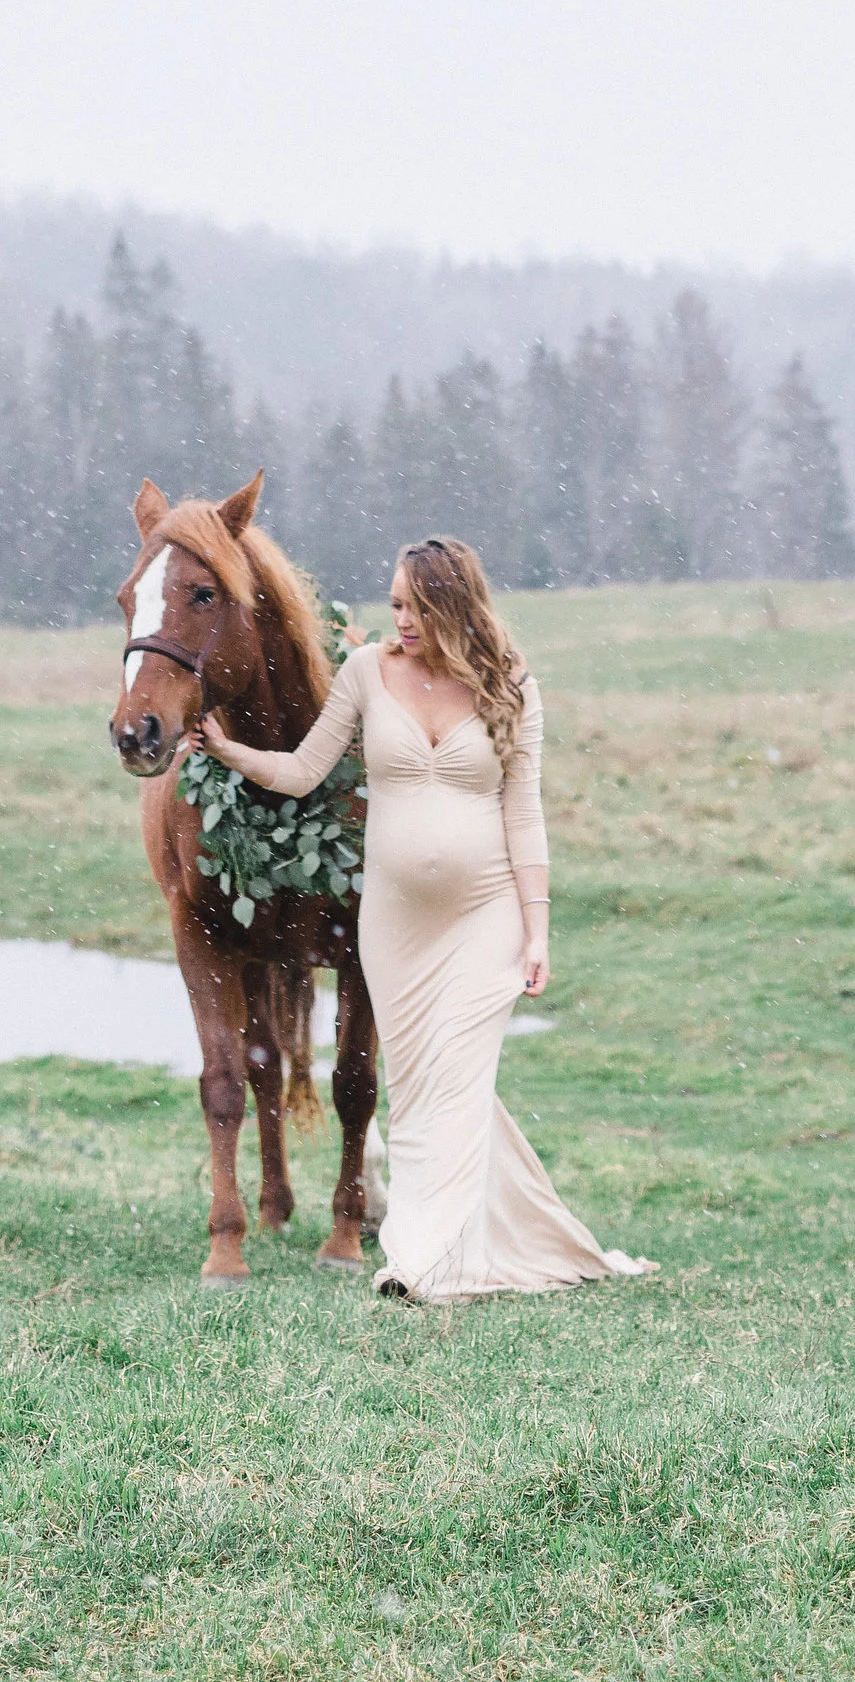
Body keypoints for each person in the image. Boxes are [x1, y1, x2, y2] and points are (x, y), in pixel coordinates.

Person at [198, 533, 652, 1303]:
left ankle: (420, 1259)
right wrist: (232, 752)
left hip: (487, 917)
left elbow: (524, 811)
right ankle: (500, 1232)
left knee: (461, 1082)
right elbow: (306, 772)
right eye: (395, 603)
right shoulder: (369, 672)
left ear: (453, 604)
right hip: (396, 925)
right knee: (410, 1090)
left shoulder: (510, 684)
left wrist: (537, 928)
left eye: (414, 605)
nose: (399, 618)